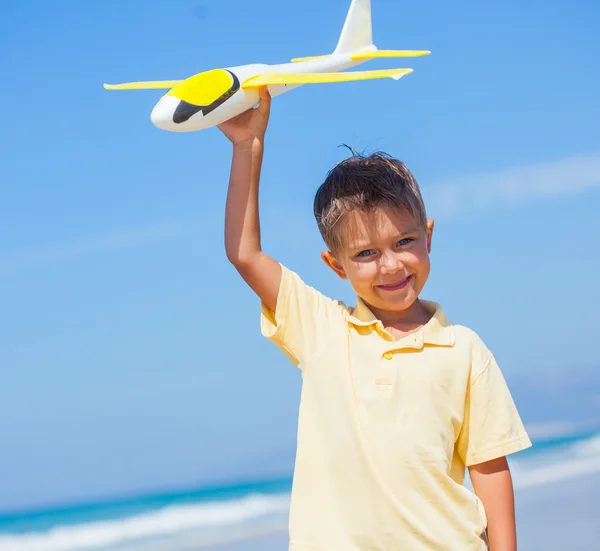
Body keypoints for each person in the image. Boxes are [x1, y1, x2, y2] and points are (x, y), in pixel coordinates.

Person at [218, 87, 532, 551]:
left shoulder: (465, 351)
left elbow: (489, 470)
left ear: (427, 236)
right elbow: (244, 255)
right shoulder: (321, 330)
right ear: (336, 266)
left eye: (404, 242)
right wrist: (248, 147)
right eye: (366, 253)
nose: (390, 265)